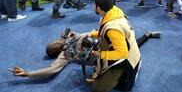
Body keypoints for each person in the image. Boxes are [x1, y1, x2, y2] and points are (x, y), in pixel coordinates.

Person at [12, 27, 161, 81]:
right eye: (54, 47)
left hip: (99, 39)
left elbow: (78, 33)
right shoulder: (64, 55)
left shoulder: (68, 37)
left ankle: (143, 37)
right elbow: (51, 70)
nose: (56, 43)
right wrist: (28, 73)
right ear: (56, 51)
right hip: (99, 56)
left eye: (54, 42)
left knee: (123, 43)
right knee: (124, 52)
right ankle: (146, 36)